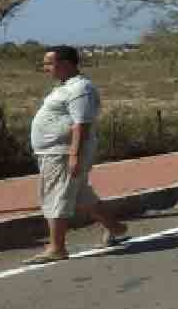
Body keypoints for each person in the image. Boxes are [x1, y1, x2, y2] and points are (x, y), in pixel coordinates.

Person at [24, 46, 130, 265]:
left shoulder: (80, 88)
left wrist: (73, 155)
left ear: (66, 64)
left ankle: (57, 247)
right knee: (81, 196)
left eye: (49, 63)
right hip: (55, 152)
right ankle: (116, 228)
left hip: (62, 153)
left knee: (56, 196)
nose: (45, 68)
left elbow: (81, 124)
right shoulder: (65, 87)